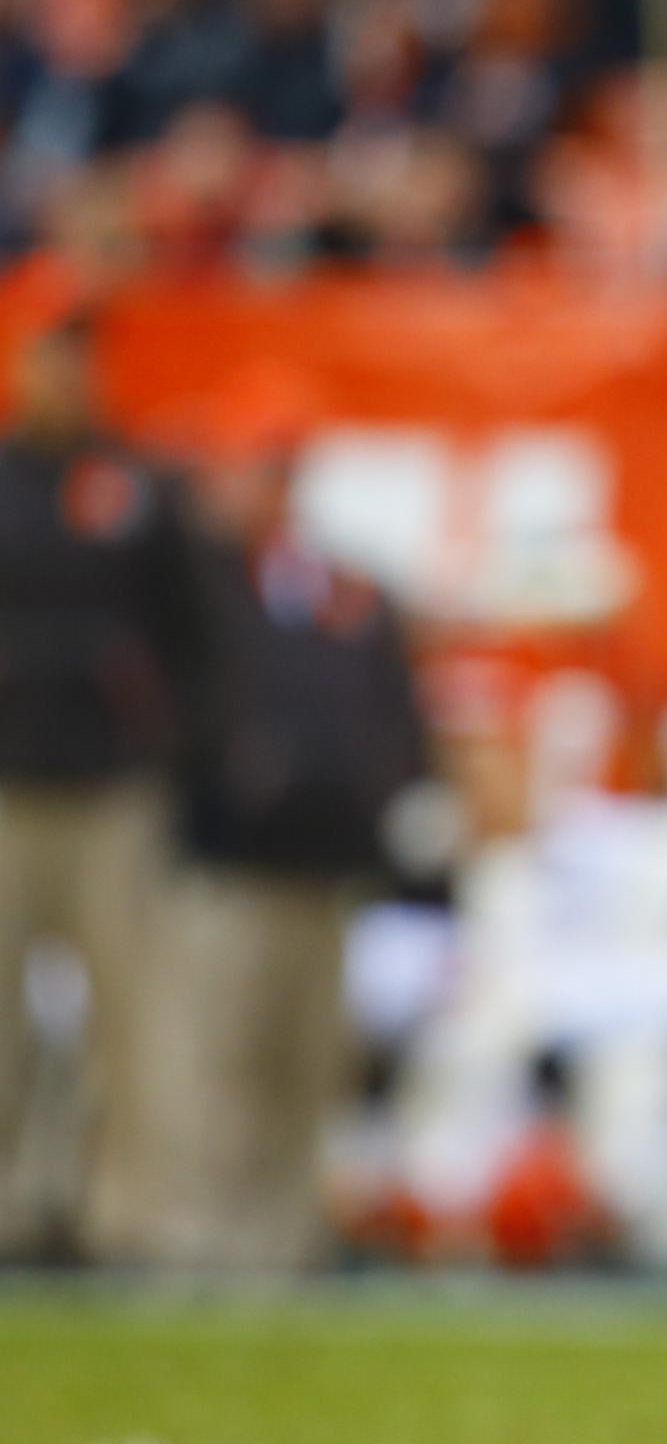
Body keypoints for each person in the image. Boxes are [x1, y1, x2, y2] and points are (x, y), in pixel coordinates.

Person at [154, 366, 434, 1274]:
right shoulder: (190, 589)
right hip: (229, 864)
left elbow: (399, 715)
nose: (262, 485)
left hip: (328, 861)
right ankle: (201, 1236)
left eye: (277, 466)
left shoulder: (345, 592)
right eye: (249, 465)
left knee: (309, 1065)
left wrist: (376, 791)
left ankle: (285, 1242)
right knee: (217, 1056)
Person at [0, 307, 204, 1263]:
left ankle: (128, 1213)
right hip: (7, 785)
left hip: (115, 791)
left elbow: (195, 631)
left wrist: (167, 744)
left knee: (131, 1013)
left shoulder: (137, 483)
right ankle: (10, 1205)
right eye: (50, 353)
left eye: (81, 355)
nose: (66, 374)